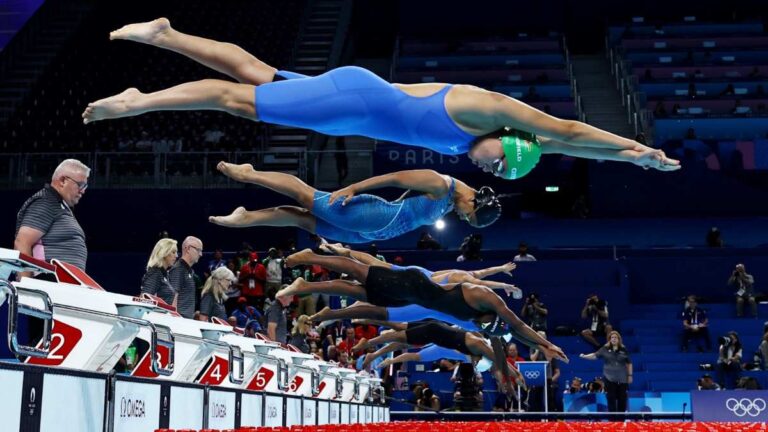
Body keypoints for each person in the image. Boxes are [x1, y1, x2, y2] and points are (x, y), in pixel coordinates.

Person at [83, 18, 681, 179]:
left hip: (353, 98)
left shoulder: (489, 141)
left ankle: (166, 34)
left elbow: (568, 152)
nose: (489, 166)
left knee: (257, 74)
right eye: (500, 160)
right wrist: (635, 144)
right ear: (510, 139)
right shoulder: (491, 111)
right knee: (231, 99)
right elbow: (569, 134)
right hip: (354, 102)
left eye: (497, 171)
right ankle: (140, 100)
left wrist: (627, 160)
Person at [277, 248, 567, 362]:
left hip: (412, 297)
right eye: (482, 323)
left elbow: (510, 334)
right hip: (414, 284)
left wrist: (542, 346)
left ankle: (313, 293)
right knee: (360, 271)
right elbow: (517, 323)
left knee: (363, 294)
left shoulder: (480, 321)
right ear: (486, 315)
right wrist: (503, 281)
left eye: (482, 328)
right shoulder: (481, 297)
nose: (478, 326)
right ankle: (308, 262)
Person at [207, 165, 505, 243]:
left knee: (300, 218)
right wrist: (354, 187)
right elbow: (395, 178)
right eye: (470, 216)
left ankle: (247, 218)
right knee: (304, 195)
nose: (464, 219)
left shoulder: (451, 201)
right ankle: (250, 174)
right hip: (374, 216)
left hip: (369, 233)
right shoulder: (441, 185)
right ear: (473, 200)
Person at [14, 159, 90, 272]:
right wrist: (26, 283)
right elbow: (22, 242)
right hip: (48, 282)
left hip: (64, 284)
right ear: (63, 180)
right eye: (80, 185)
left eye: (85, 187)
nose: (82, 191)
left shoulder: (60, 206)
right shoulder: (46, 201)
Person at [579, 331, 632, 413]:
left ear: (619, 339)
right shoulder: (605, 349)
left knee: (622, 398)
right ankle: (613, 419)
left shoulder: (623, 349)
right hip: (609, 378)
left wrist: (630, 375)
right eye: (612, 337)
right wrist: (585, 356)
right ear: (609, 339)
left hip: (622, 378)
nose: (613, 339)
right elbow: (594, 355)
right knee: (611, 398)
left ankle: (621, 418)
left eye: (615, 337)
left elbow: (629, 363)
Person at [169, 236, 204, 319]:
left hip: (185, 321)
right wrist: (176, 321)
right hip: (179, 322)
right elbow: (172, 297)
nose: (200, 254)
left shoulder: (189, 271)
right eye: (198, 250)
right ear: (188, 248)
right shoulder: (178, 269)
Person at [140, 238, 178, 306]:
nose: (176, 256)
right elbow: (144, 299)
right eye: (173, 252)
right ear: (164, 253)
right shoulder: (155, 273)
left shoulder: (164, 274)